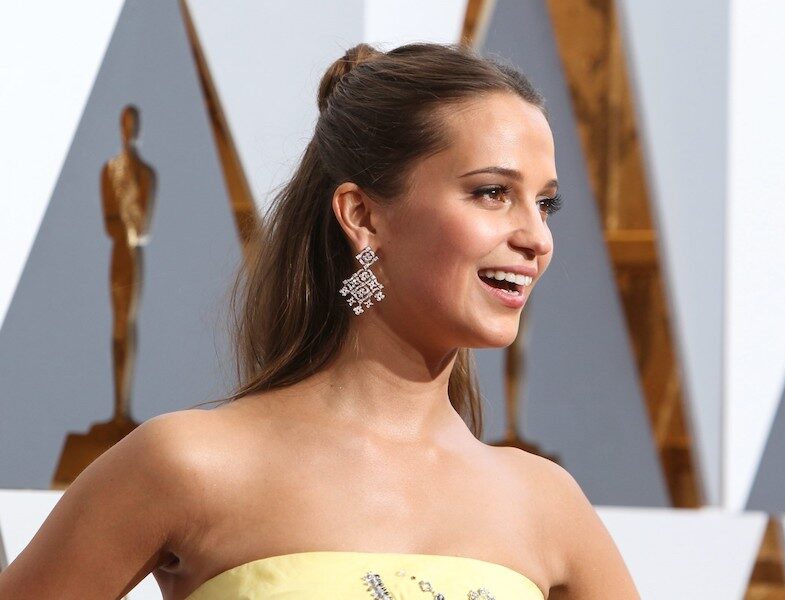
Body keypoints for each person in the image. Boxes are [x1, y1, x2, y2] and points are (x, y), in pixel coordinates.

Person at [0, 42, 639, 599]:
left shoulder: (544, 504)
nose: (536, 237)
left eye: (546, 204)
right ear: (363, 215)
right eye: (492, 193)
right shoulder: (188, 464)